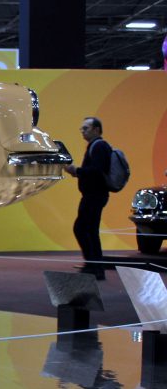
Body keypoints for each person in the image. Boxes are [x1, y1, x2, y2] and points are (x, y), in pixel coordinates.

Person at [64, 116, 112, 280]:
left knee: (82, 228)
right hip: (94, 195)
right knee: (89, 230)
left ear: (96, 129)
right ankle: (94, 266)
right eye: (82, 129)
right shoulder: (97, 146)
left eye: (86, 128)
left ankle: (94, 266)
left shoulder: (99, 146)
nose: (83, 131)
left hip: (94, 195)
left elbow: (97, 171)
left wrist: (76, 171)